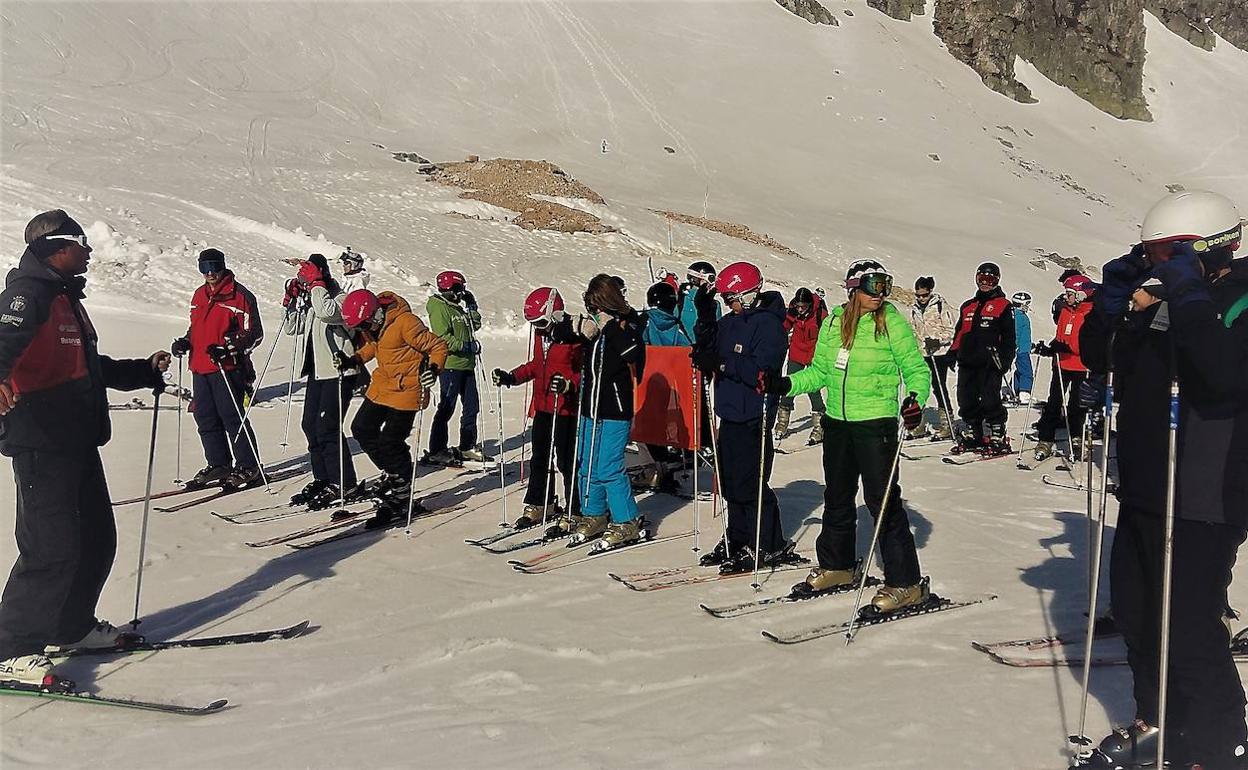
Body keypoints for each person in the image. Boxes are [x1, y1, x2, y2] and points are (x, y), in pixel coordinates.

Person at [1079, 190, 1247, 770]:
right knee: (1137, 612)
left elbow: (1222, 374)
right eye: (1149, 252)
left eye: (1167, 252)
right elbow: (1102, 357)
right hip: (1147, 483)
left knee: (1189, 623)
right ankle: (1161, 722)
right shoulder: (1163, 301)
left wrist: (1190, 294)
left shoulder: (1239, 300)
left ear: (1209, 248)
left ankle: (1220, 745)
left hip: (1207, 492)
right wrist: (1112, 305)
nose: (1157, 263)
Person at [0, 210, 170, 684]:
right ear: (56, 246)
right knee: (49, 549)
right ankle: (11, 648)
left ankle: (69, 627)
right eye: (81, 240)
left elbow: (88, 366)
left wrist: (141, 371)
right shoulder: (27, 294)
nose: (89, 249)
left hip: (75, 439)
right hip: (41, 441)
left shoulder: (63, 298)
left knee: (96, 540)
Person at [763, 260, 931, 612]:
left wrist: (915, 399)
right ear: (854, 288)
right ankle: (837, 565)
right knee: (837, 495)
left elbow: (916, 369)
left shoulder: (891, 322)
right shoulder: (833, 322)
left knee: (882, 501)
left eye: (885, 285)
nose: (880, 293)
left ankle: (906, 582)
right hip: (838, 423)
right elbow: (820, 372)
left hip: (875, 424)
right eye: (873, 285)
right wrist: (785, 384)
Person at [693, 261, 804, 574]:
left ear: (749, 293)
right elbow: (709, 345)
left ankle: (767, 542)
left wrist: (722, 363)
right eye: (725, 299)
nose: (729, 304)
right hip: (730, 411)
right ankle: (739, 536)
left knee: (750, 482)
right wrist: (705, 315)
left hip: (755, 413)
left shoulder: (769, 325)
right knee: (730, 481)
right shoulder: (730, 321)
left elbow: (761, 371)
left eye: (731, 298)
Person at [341, 289, 448, 522]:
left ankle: (402, 494)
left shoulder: (405, 323)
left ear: (374, 314)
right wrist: (354, 359)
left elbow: (438, 346)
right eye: (359, 327)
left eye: (363, 325)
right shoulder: (374, 326)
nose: (363, 330)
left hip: (407, 390)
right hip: (383, 386)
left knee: (391, 441)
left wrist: (433, 370)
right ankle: (395, 475)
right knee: (361, 428)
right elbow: (375, 346)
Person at [560, 274, 646, 548]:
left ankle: (627, 520)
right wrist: (574, 325)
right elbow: (560, 335)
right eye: (590, 307)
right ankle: (594, 513)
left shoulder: (626, 326)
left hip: (614, 411)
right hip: (590, 408)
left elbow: (633, 354)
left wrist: (609, 327)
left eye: (595, 307)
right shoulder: (595, 332)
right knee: (586, 464)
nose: (593, 313)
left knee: (609, 467)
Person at [170, 248, 264, 490]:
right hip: (200, 366)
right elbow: (197, 328)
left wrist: (229, 347)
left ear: (223, 266)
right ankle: (219, 463)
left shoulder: (239, 296)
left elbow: (255, 334)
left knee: (232, 416)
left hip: (227, 367)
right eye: (204, 268)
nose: (210, 273)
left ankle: (249, 465)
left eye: (214, 267)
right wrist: (186, 342)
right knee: (205, 416)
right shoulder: (199, 295)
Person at [492, 287, 582, 529]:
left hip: (566, 409)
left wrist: (569, 385)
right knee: (540, 457)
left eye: (541, 322)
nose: (537, 328)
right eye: (533, 324)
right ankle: (541, 502)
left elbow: (586, 372)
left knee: (567, 461)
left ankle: (576, 508)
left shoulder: (574, 335)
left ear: (555, 313)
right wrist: (512, 377)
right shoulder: (541, 334)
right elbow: (536, 365)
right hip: (543, 405)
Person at [281, 255, 363, 509]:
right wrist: (290, 301)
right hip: (318, 372)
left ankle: (345, 482)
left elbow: (327, 313)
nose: (308, 284)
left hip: (340, 372)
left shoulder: (341, 299)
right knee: (310, 425)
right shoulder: (315, 299)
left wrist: (316, 284)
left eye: (310, 278)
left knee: (328, 427)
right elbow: (292, 328)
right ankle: (324, 478)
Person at [950, 261, 1015, 454]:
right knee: (966, 398)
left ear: (997, 281)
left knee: (989, 398)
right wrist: (952, 353)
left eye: (990, 280)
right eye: (982, 279)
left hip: (990, 362)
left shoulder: (1003, 305)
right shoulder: (968, 306)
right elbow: (960, 332)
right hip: (967, 360)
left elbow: (1009, 338)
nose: (985, 283)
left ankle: (997, 431)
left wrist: (1005, 360)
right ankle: (973, 430)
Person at [1031, 275, 1094, 462]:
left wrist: (1067, 347)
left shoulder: (1090, 314)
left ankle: (1076, 438)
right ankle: (1046, 439)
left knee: (1077, 404)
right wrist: (1049, 349)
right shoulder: (1066, 312)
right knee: (1054, 403)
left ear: (1081, 294)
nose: (1066, 297)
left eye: (1070, 293)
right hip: (1061, 364)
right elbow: (1060, 337)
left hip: (1081, 365)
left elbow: (1088, 344)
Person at [424, 270, 484, 466]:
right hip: (450, 365)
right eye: (458, 289)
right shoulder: (439, 308)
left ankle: (467, 446)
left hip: (467, 365)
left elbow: (474, 325)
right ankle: (436, 449)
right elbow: (442, 338)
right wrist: (465, 346)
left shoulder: (458, 309)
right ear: (448, 289)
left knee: (472, 406)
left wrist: (472, 307)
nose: (461, 293)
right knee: (447, 407)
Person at [637, 280, 693, 490]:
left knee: (644, 426)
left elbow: (636, 344)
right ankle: (663, 467)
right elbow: (689, 348)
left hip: (647, 382)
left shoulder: (645, 321)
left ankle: (654, 469)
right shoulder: (676, 324)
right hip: (673, 384)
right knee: (662, 425)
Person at [777, 287, 829, 444]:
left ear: (809, 305)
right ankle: (782, 421)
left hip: (814, 355)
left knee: (813, 389)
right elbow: (784, 327)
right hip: (796, 353)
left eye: (803, 307)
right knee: (790, 386)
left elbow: (828, 335)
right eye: (798, 306)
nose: (800, 309)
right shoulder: (793, 311)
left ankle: (819, 425)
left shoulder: (820, 315)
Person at [907, 276, 957, 439]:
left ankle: (947, 424)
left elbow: (951, 330)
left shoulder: (940, 305)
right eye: (918, 295)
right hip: (922, 353)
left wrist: (937, 340)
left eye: (925, 295)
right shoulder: (914, 308)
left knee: (939, 387)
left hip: (939, 353)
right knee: (919, 387)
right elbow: (913, 330)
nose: (921, 298)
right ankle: (918, 424)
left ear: (930, 292)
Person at [1009, 291, 1034, 404]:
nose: (1028, 307)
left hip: (1023, 347)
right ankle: (1024, 392)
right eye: (1027, 304)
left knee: (1019, 371)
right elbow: (1017, 333)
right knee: (1026, 371)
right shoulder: (1020, 317)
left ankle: (1016, 391)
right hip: (1021, 350)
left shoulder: (1015, 315)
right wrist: (1015, 346)